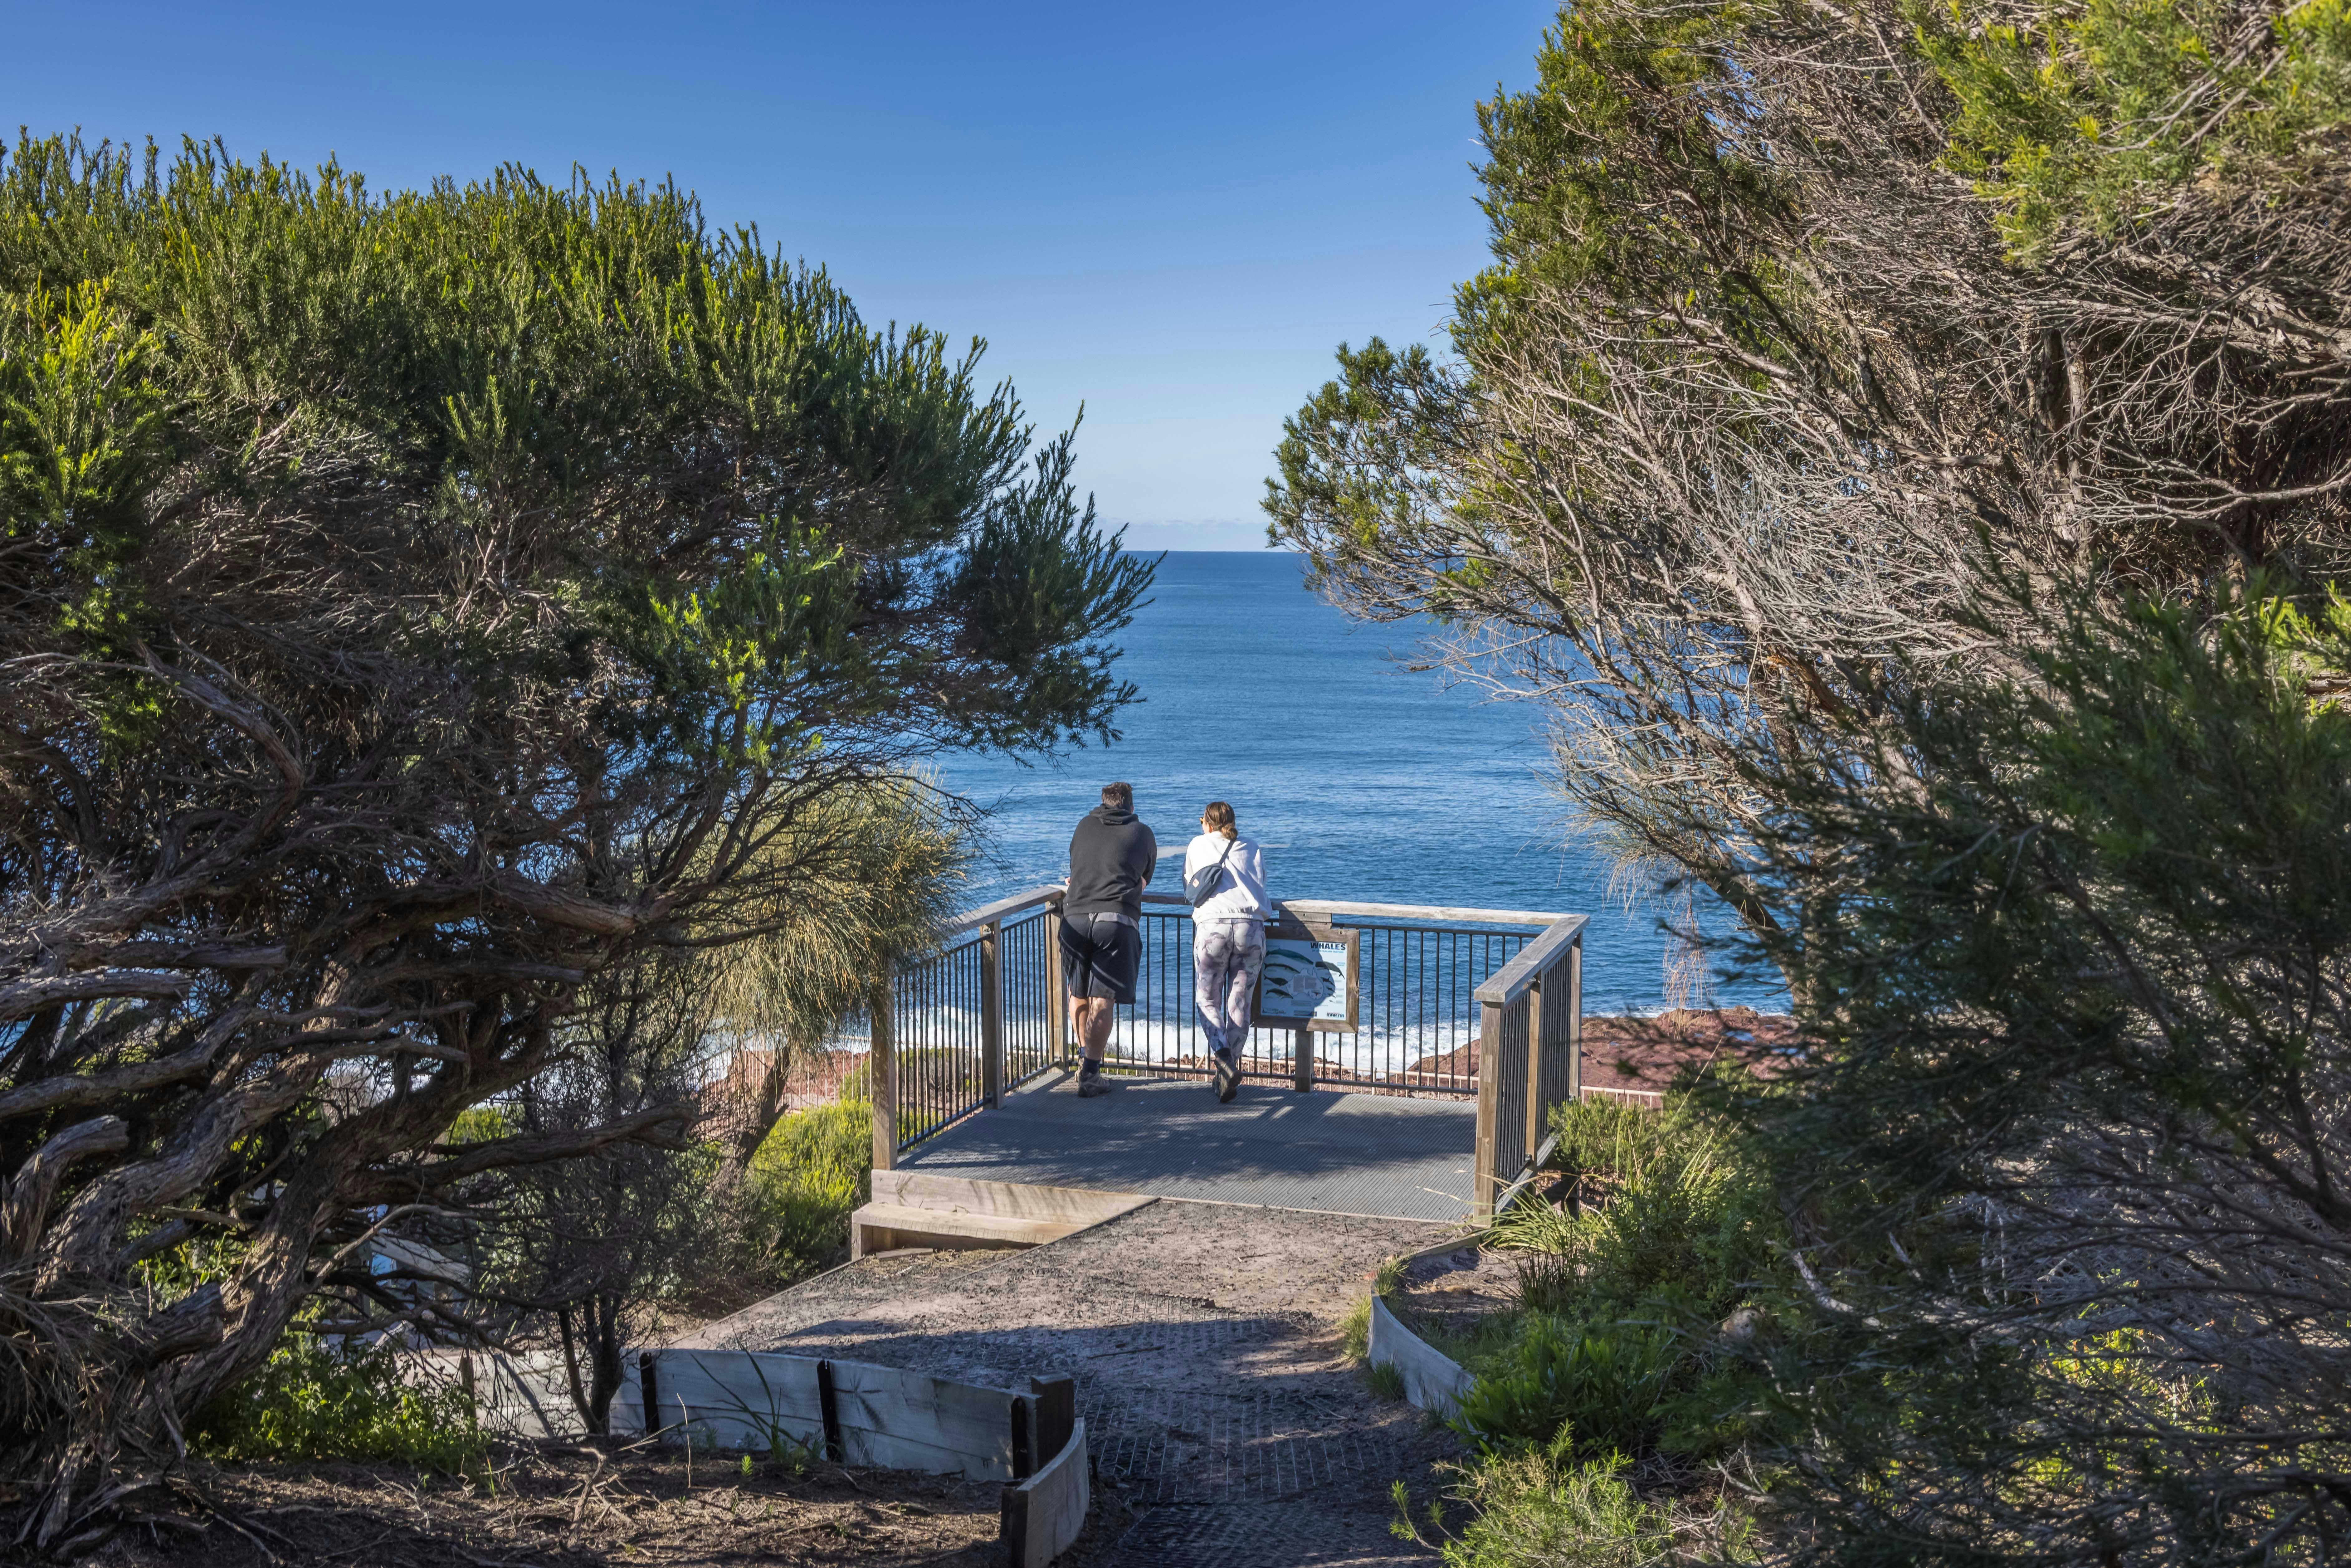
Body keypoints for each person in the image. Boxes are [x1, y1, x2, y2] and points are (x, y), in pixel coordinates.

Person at [1062, 782, 1156, 1098]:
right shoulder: (1141, 833)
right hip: (1114, 921)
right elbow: (1143, 879)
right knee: (1102, 999)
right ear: (1130, 806)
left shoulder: (1082, 825)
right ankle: (1090, 1070)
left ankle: (1083, 1054)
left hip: (1074, 917)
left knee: (1077, 991)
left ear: (1103, 803)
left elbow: (1074, 871)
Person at [1184, 800, 1268, 1104]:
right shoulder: (1252, 846)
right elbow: (1260, 884)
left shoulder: (1197, 844)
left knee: (1206, 999)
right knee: (1239, 1003)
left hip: (1213, 928)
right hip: (1251, 927)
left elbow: (1190, 886)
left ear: (1206, 823)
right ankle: (1226, 1074)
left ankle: (1222, 1060)